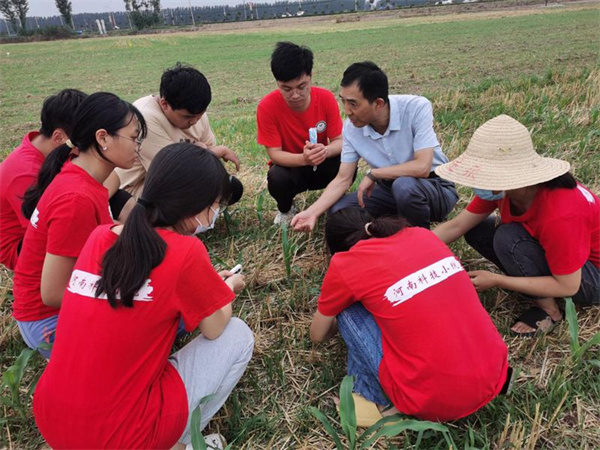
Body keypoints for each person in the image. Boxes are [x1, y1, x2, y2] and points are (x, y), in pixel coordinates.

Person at [33, 143, 254, 450]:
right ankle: (184, 442)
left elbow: (145, 289)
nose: (214, 213)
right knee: (238, 335)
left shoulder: (100, 236)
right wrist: (226, 290)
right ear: (197, 206)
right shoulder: (186, 251)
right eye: (215, 204)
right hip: (123, 437)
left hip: (53, 420)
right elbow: (214, 327)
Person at [310, 208, 509, 424]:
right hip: (496, 374)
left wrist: (338, 320)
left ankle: (374, 400)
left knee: (347, 311)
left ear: (338, 247)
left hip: (435, 401)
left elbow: (317, 334)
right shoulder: (422, 234)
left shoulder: (345, 263)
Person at [434, 114, 599, 336]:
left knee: (508, 237)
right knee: (479, 229)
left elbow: (568, 285)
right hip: (562, 254)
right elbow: (457, 226)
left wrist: (498, 280)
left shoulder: (561, 213)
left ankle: (550, 312)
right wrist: (410, 249)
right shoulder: (506, 189)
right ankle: (532, 279)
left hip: (590, 276)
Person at [12, 92, 147, 358]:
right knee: (158, 321)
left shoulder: (83, 177)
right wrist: (128, 293)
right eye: (133, 138)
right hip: (49, 322)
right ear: (103, 138)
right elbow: (53, 293)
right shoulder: (76, 199)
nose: (138, 146)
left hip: (57, 309)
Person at [292, 61, 458, 232]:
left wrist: (374, 174)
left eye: (353, 104)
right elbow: (343, 179)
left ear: (378, 103)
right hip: (389, 190)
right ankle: (389, 230)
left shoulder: (416, 107)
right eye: (343, 101)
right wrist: (312, 212)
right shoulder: (351, 128)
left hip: (434, 186)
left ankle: (419, 243)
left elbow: (422, 167)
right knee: (340, 212)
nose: (347, 111)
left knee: (404, 186)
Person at [115, 62, 243, 205]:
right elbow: (172, 173)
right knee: (193, 191)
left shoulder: (195, 112)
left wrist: (204, 152)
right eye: (187, 117)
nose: (194, 121)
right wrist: (210, 151)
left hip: (178, 179)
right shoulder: (145, 117)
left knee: (231, 188)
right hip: (140, 190)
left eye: (200, 115)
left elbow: (208, 164)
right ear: (164, 104)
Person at [257, 42, 344, 225]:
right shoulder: (267, 107)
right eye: (286, 89)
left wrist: (323, 151)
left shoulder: (326, 98)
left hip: (322, 163)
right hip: (292, 168)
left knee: (346, 160)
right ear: (277, 83)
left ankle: (333, 200)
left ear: (311, 77)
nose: (295, 95)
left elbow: (340, 141)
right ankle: (286, 209)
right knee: (276, 177)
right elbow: (275, 154)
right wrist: (304, 159)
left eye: (301, 86)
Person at [0, 89, 87, 270]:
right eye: (81, 142)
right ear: (58, 137)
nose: (85, 148)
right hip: (23, 248)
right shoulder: (25, 174)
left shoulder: (47, 151)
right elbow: (45, 228)